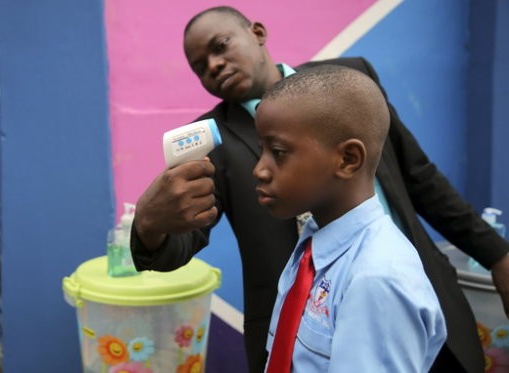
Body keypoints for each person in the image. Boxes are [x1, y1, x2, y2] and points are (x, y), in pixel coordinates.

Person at [130, 5, 509, 372]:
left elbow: (421, 179)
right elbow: (181, 238)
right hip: (305, 340)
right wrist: (150, 225)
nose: (213, 66)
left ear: (257, 33)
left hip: (419, 300)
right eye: (200, 67)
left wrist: (497, 255)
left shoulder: (350, 84)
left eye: (220, 45)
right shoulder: (210, 142)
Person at [255, 64, 446, 372]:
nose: (259, 170)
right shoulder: (312, 247)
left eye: (277, 152)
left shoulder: (377, 278)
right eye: (260, 149)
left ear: (347, 160)